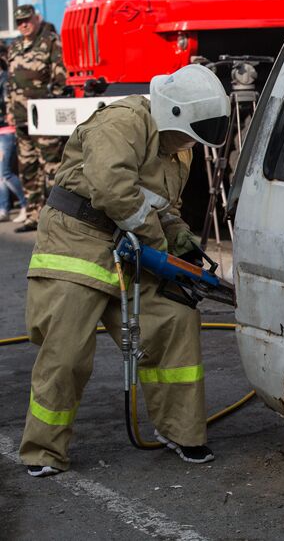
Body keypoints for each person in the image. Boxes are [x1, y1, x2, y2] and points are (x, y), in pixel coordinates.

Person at [19, 64, 231, 477]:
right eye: (189, 133)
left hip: (128, 248)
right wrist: (158, 244)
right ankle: (43, 451)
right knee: (65, 351)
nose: (191, 143)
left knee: (174, 320)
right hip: (76, 243)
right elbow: (114, 191)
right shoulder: (123, 122)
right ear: (172, 113)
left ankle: (182, 432)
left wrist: (180, 236)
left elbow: (162, 206)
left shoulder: (179, 149)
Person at [5, 4, 67, 233]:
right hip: (21, 119)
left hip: (44, 117)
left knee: (51, 166)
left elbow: (61, 77)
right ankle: (34, 215)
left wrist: (56, 106)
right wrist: (11, 110)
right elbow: (11, 84)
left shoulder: (50, 41)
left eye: (27, 20)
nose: (23, 24)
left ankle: (59, 217)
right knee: (28, 168)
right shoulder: (15, 46)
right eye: (19, 21)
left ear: (36, 18)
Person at [0, 43, 27, 222]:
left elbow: (7, 106)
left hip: (7, 130)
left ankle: (26, 204)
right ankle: (4, 208)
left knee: (6, 173)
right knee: (0, 175)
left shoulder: (5, 80)